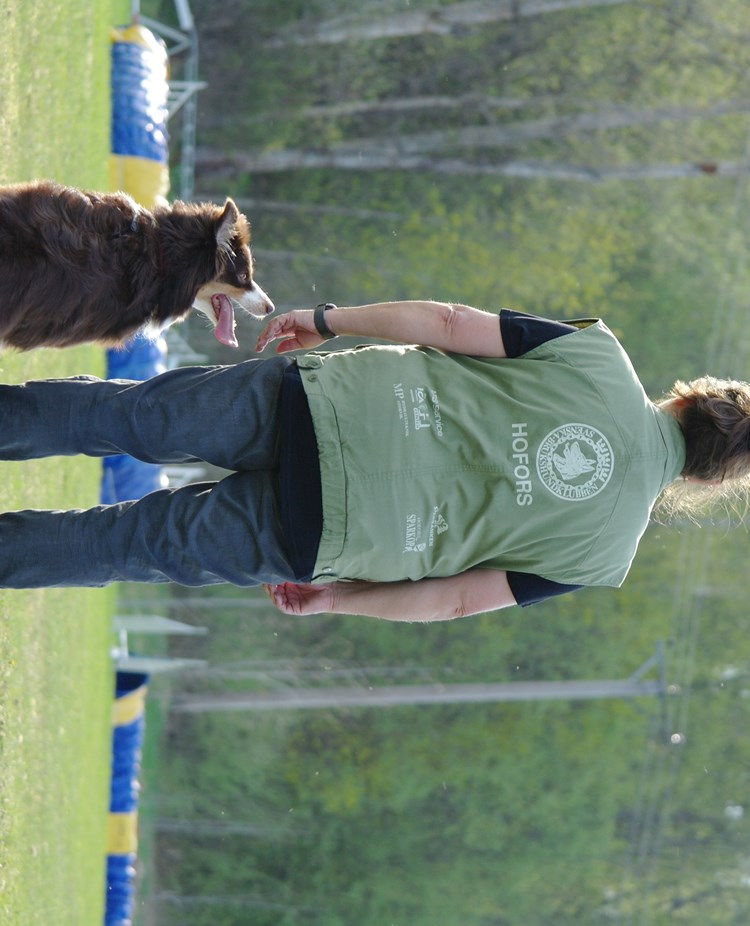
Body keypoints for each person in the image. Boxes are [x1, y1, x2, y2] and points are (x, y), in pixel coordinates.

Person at [0, 300, 748, 621]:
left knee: (124, 415)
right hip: (328, 533)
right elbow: (456, 600)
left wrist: (327, 321)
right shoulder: (602, 557)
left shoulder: (597, 353)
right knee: (124, 544)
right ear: (710, 480)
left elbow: (451, 324)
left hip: (323, 405)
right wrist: (338, 600)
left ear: (696, 395)